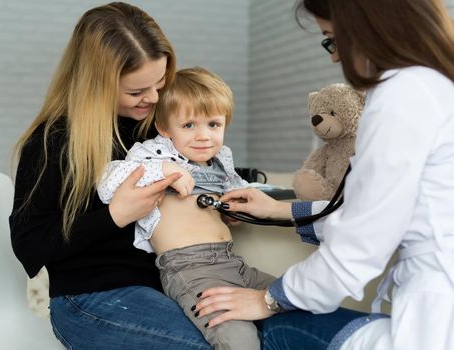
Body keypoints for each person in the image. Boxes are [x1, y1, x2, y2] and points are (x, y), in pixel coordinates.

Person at [193, 0, 454, 349]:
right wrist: (279, 209)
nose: (334, 56)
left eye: (332, 39)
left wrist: (269, 299)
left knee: (273, 328)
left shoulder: (402, 95)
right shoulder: (437, 84)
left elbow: (360, 244)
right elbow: (376, 214)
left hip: (433, 324)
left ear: (364, 27)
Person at [9, 3, 214, 349]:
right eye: (136, 92)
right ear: (96, 84)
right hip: (88, 298)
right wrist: (115, 215)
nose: (152, 98)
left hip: (167, 284)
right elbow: (29, 244)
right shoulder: (53, 141)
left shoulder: (156, 127)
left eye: (160, 83)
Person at [97, 66, 276, 350]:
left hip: (233, 263)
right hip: (191, 270)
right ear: (165, 128)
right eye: (189, 125)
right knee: (238, 339)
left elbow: (241, 192)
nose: (203, 136)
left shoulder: (221, 159)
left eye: (213, 125)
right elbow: (107, 182)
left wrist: (236, 208)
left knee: (295, 296)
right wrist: (162, 170)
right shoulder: (155, 153)